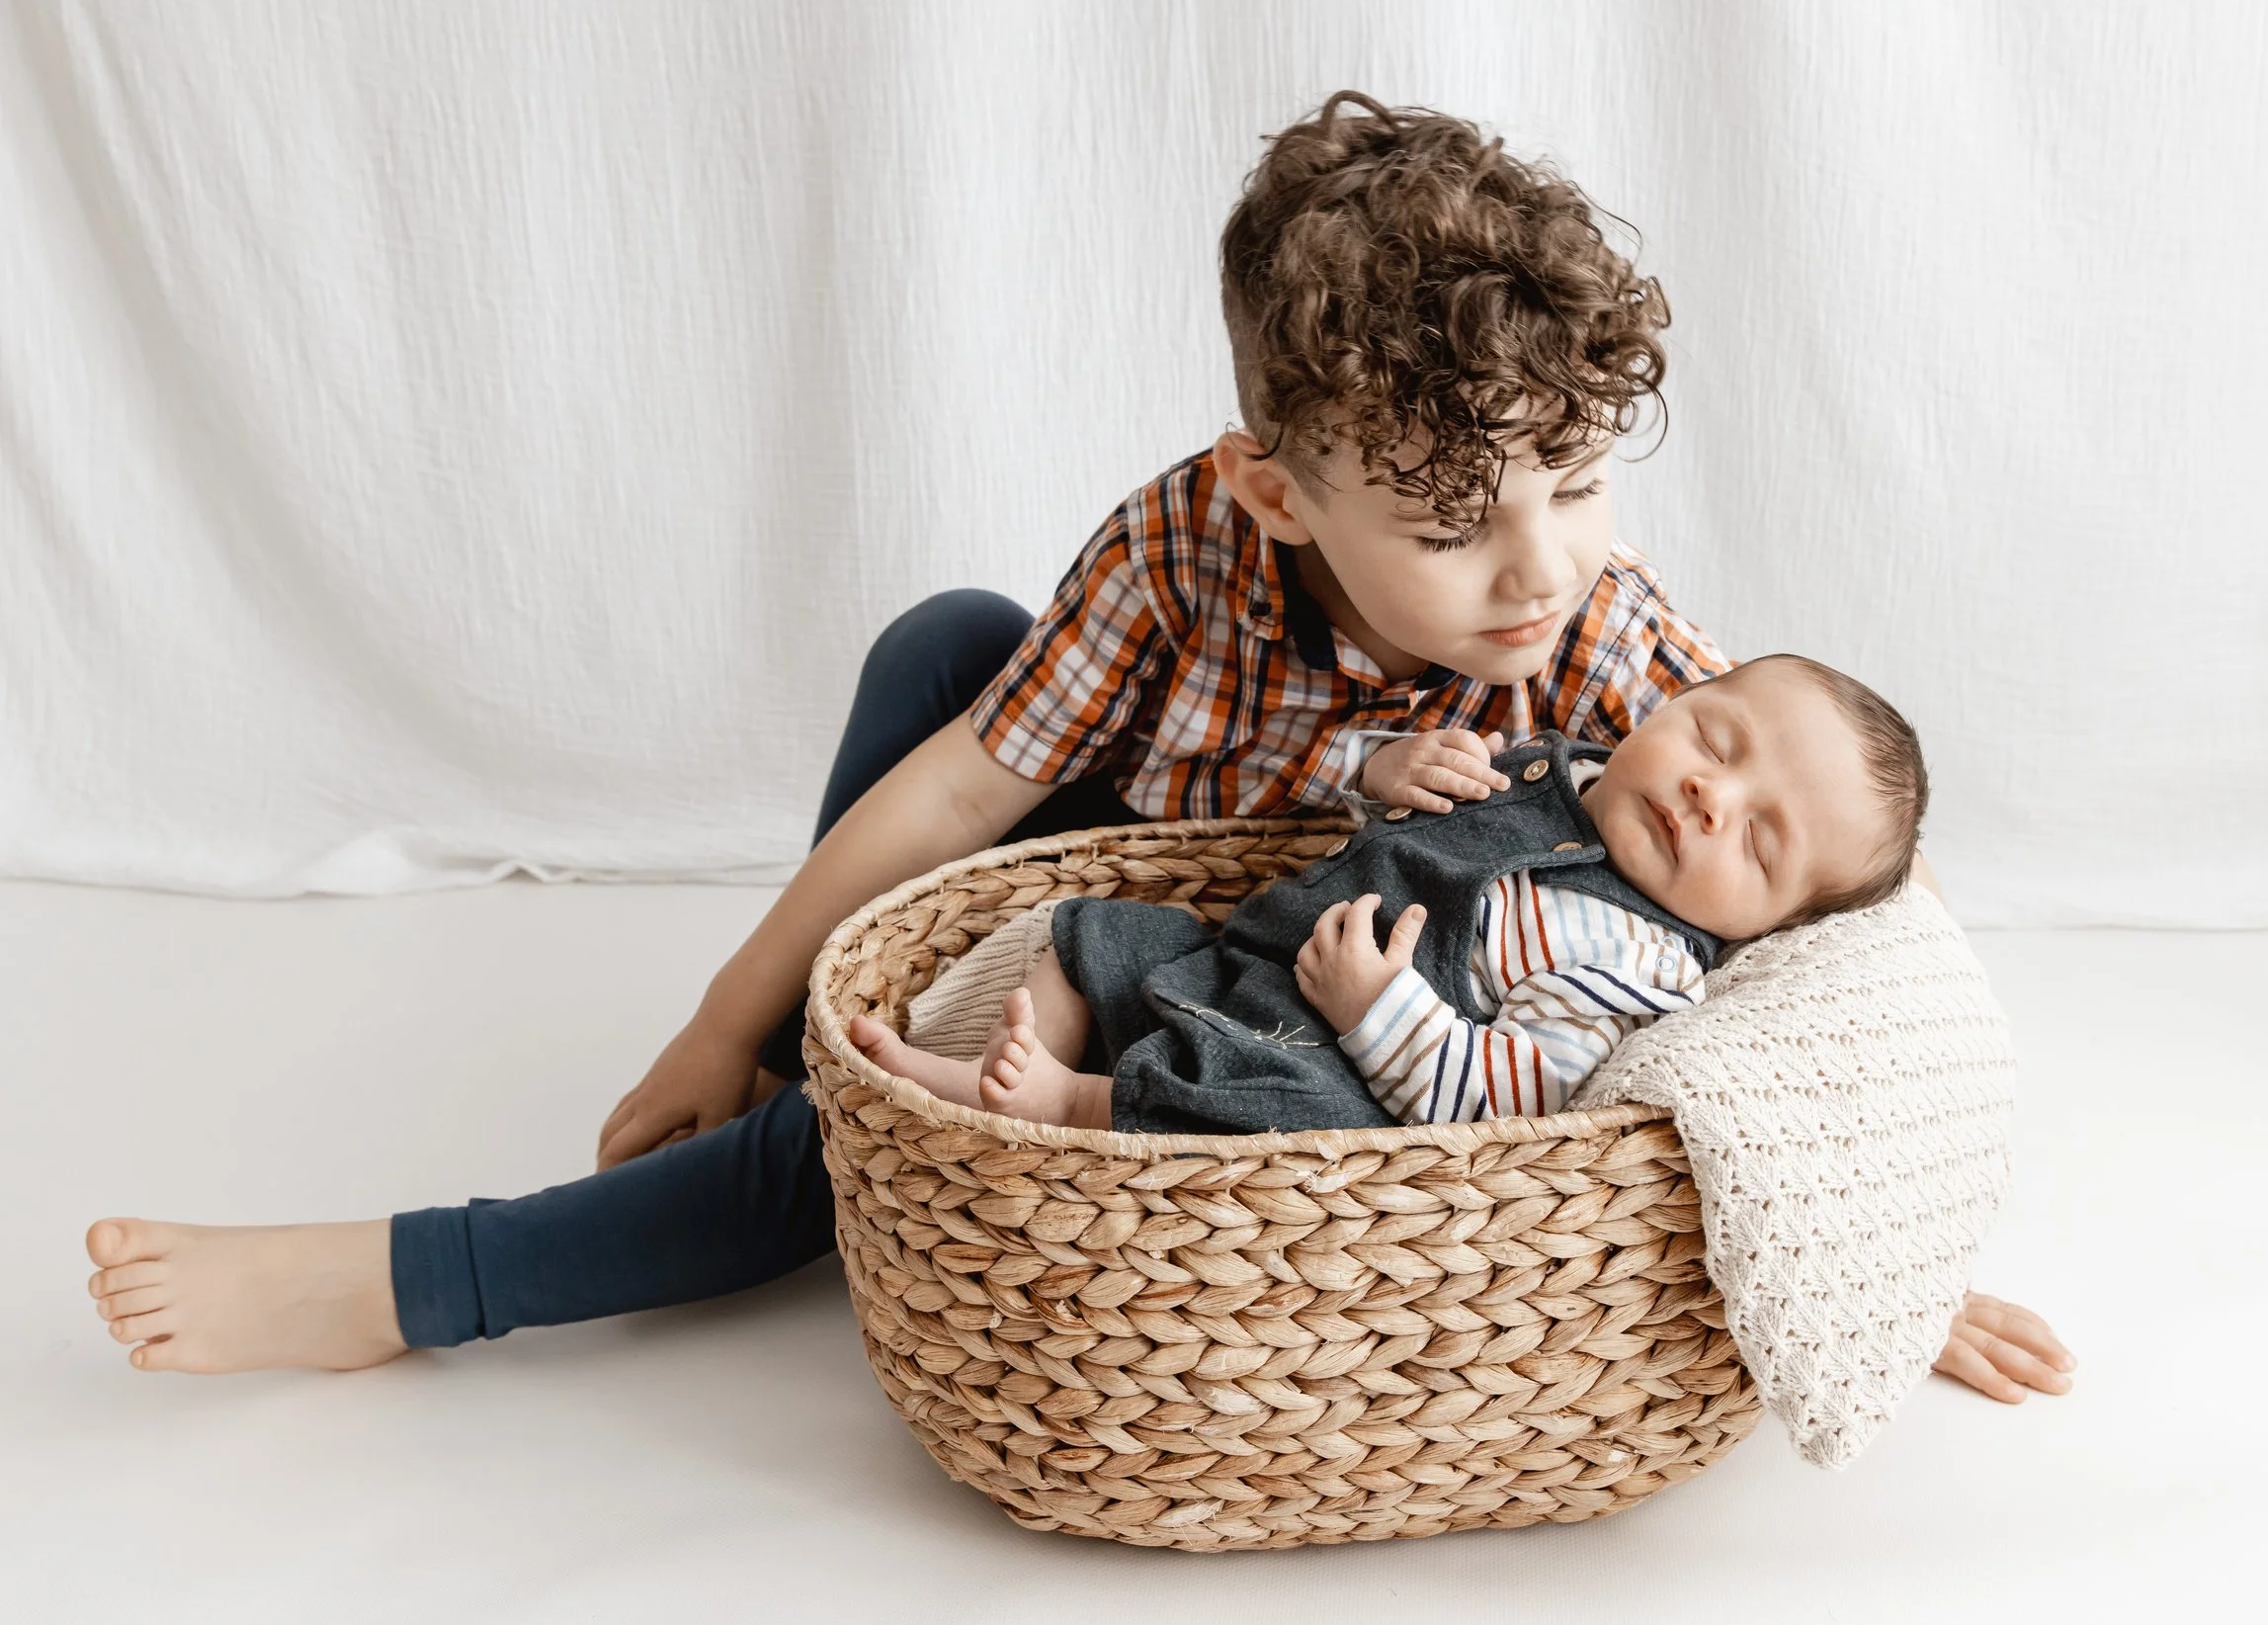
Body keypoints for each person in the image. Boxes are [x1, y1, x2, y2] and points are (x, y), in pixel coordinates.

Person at [80, 91, 2073, 1404]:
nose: (1536, 567)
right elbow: (963, 786)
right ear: (1277, 492)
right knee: (950, 650)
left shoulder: (1618, 663)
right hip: (1134, 891)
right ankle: (818, 1093)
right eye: (1455, 523)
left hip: (1288, 1016)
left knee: (919, 1081)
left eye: (1570, 479)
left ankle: (472, 1267)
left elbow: (1819, 920)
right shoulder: (1184, 539)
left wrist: (1867, 1255)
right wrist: (714, 1013)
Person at [853, 652, 1922, 1135]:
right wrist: (1387, 774)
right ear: (1669, 699)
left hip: (1326, 1054)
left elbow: (1511, 1099)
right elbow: (1384, 834)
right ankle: (977, 1061)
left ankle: (1065, 1103)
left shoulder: (1635, 958)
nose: (1706, 791)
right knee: (1090, 931)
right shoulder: (1550, 764)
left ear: (1766, 927)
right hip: (1237, 957)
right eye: (1714, 737)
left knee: (1287, 1113)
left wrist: (1381, 1011)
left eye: (1758, 837)